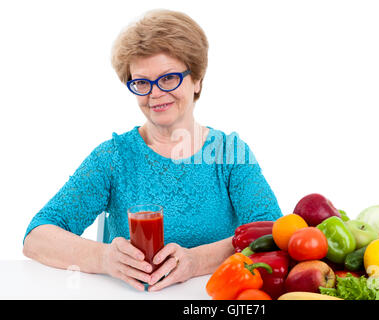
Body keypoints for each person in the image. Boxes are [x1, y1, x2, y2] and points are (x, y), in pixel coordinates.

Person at [23, 9, 282, 292]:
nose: (155, 94)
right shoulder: (114, 157)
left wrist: (196, 261)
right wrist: (105, 257)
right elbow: (37, 236)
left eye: (169, 78)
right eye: (142, 83)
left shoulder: (229, 154)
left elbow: (274, 234)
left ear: (196, 80)